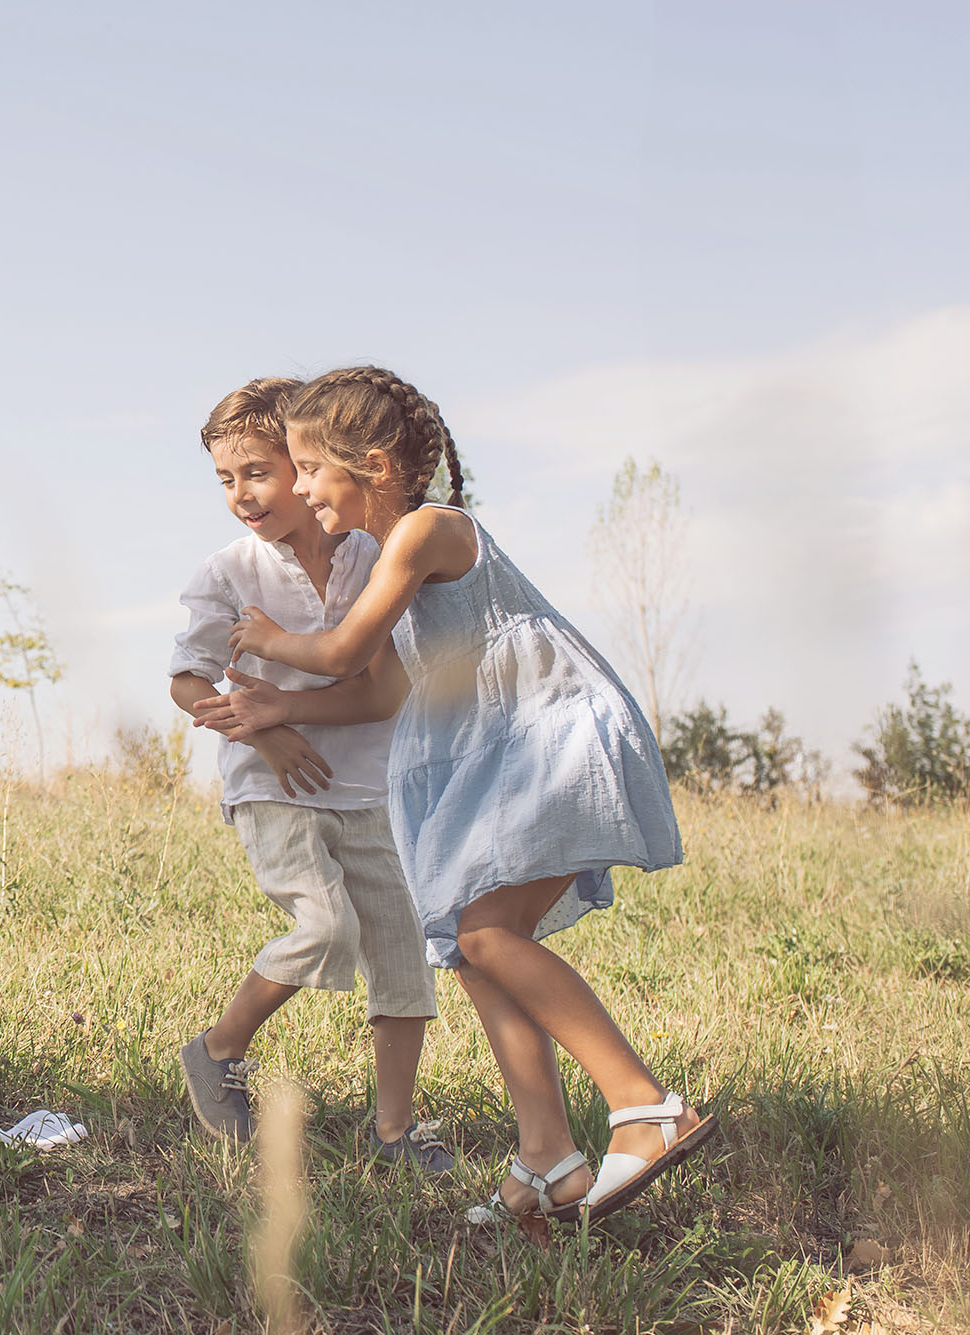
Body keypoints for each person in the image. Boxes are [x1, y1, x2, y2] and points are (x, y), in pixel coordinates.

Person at [218, 366, 710, 1223]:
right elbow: (388, 689)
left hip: (544, 737)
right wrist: (283, 708)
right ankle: (547, 1156)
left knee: (487, 934)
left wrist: (271, 641)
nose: (297, 488)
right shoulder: (390, 552)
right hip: (495, 753)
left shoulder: (426, 530)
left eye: (307, 469)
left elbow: (342, 652)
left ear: (370, 464)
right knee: (473, 945)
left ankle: (644, 1104)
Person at [168, 378, 448, 1173]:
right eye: (226, 479)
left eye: (257, 471)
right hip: (274, 788)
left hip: (369, 788)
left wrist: (288, 713)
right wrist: (267, 733)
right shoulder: (227, 574)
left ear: (305, 464)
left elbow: (384, 689)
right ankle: (219, 1048)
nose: (241, 495)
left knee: (399, 955)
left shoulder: (372, 558)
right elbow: (188, 682)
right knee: (325, 928)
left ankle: (394, 1133)